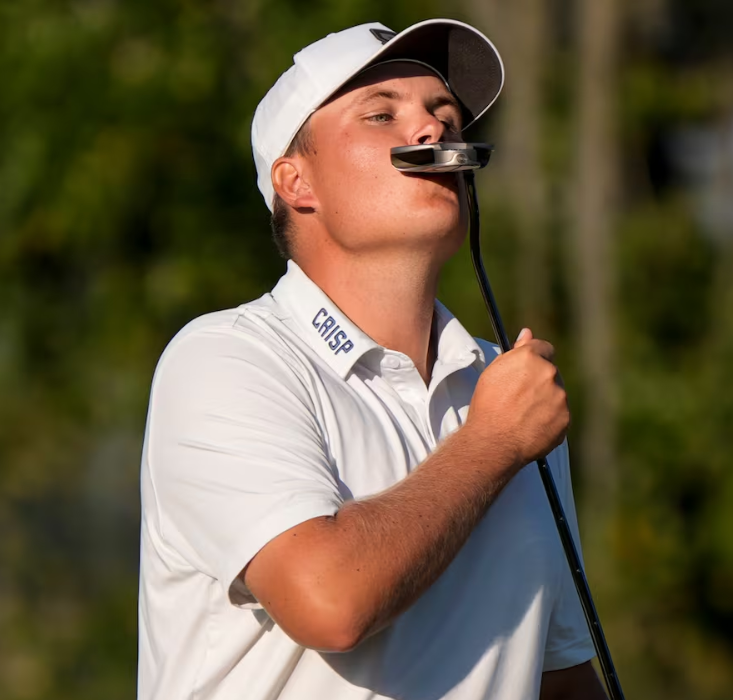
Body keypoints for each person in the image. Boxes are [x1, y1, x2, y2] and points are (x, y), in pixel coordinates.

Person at [137, 19, 607, 700]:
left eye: (444, 115)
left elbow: (556, 673)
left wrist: (502, 431)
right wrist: (493, 442)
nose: (431, 132)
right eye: (381, 114)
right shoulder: (225, 359)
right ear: (297, 183)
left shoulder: (508, 389)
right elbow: (328, 602)